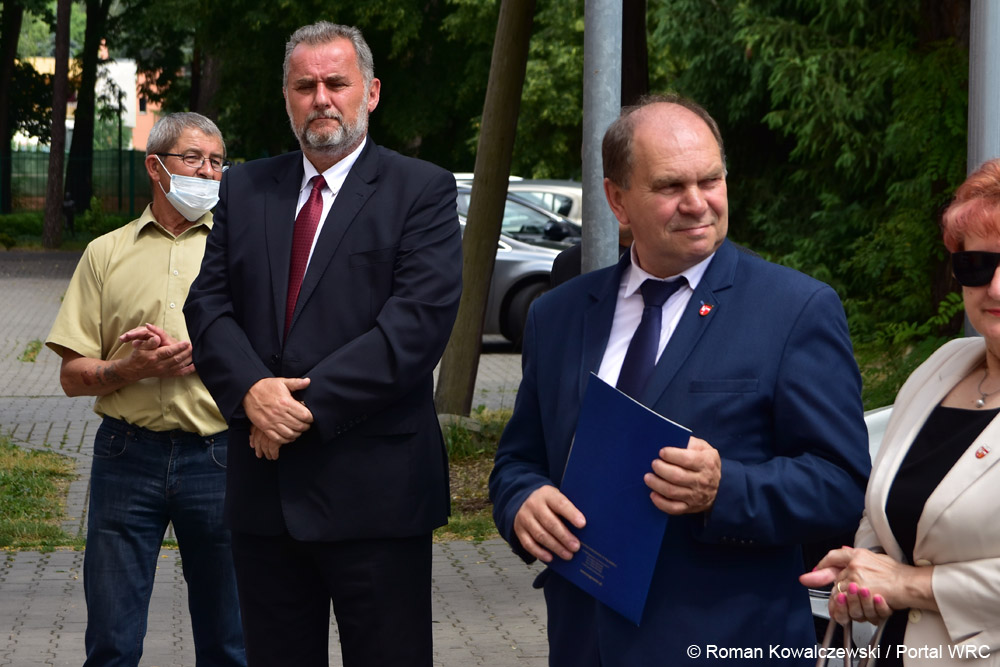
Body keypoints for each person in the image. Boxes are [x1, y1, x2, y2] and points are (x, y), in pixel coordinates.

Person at [489, 94, 872, 666]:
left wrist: (724, 490)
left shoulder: (794, 309)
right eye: (670, 186)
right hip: (585, 644)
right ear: (618, 200)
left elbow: (841, 486)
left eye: (710, 180)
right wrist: (522, 501)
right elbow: (519, 459)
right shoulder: (559, 315)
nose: (697, 203)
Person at [182, 21, 462, 667]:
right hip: (265, 499)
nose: (321, 99)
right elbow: (207, 305)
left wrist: (293, 408)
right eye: (304, 86)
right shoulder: (246, 188)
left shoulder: (421, 190)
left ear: (372, 92)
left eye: (337, 82)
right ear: (287, 97)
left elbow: (413, 329)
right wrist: (251, 391)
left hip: (377, 498)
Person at [45, 112, 245, 667]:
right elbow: (71, 376)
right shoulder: (105, 253)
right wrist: (131, 369)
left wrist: (212, 356)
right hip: (126, 456)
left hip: (219, 454)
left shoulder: (243, 252)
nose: (208, 172)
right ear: (156, 167)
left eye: (217, 162)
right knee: (112, 642)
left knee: (231, 643)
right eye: (193, 159)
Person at [801, 159, 1000, 666]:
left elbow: (903, 576)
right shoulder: (943, 366)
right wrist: (861, 573)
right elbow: (881, 512)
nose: (995, 288)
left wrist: (908, 583)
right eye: (977, 266)